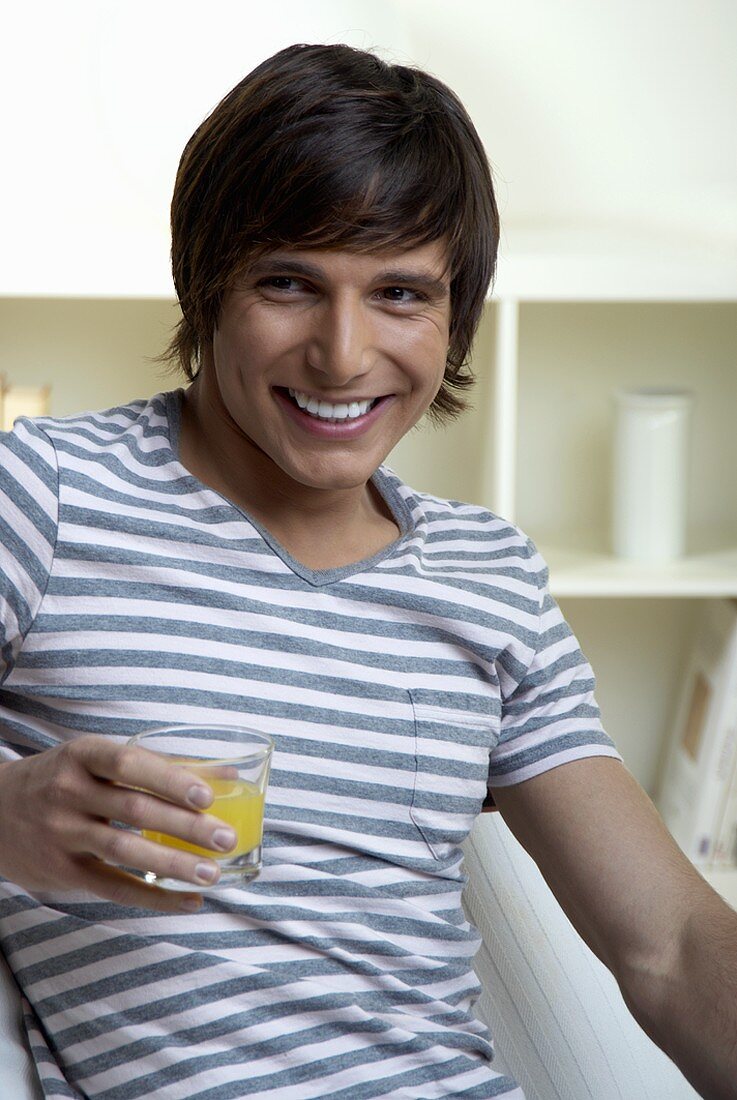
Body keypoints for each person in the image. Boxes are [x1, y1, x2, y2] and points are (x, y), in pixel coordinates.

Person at [0, 41, 734, 1100]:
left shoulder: (490, 577)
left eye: (398, 294)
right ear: (207, 282)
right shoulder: (48, 494)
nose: (342, 355)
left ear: (452, 317)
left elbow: (666, 941)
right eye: (289, 282)